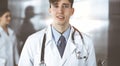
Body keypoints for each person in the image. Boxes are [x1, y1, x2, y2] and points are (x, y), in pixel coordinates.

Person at [18, 0, 97, 66]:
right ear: (50, 10)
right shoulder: (33, 41)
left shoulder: (86, 42)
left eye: (65, 6)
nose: (60, 11)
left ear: (72, 11)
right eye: (56, 6)